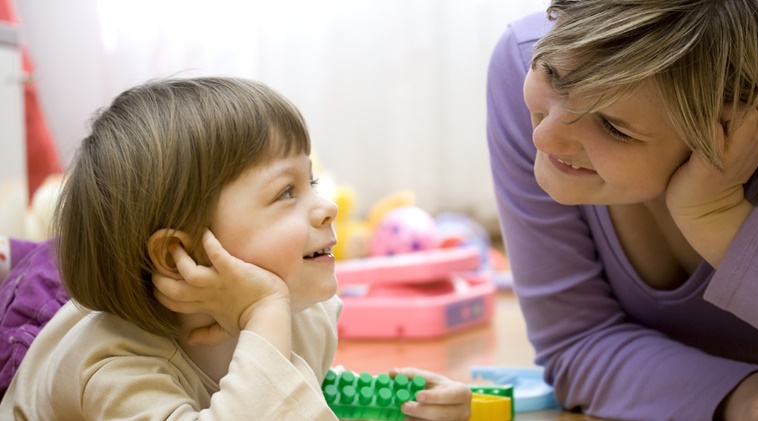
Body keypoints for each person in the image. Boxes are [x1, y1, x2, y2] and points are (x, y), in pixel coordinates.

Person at [0, 76, 471, 420]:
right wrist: (265, 312)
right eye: (286, 193)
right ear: (178, 258)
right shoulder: (110, 370)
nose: (327, 206)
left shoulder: (301, 315)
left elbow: (289, 393)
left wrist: (403, 408)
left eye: (309, 182)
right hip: (38, 329)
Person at [487, 1, 758, 420]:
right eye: (552, 75)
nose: (544, 136)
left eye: (613, 126)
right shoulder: (523, 56)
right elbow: (576, 344)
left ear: (734, 123)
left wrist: (717, 217)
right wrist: (738, 392)